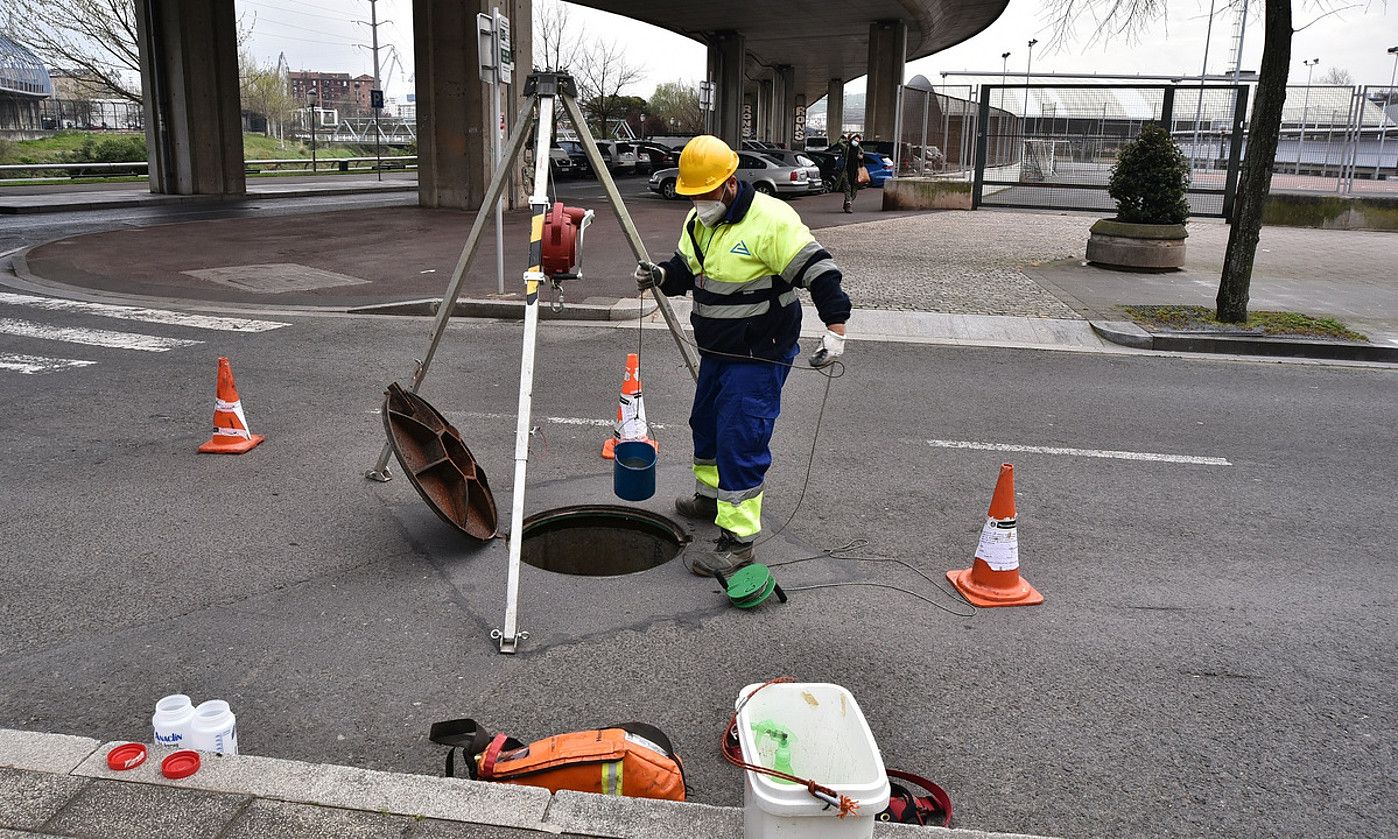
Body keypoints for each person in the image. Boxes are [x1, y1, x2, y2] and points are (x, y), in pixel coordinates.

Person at [634, 135, 852, 577]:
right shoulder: (699, 221)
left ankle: (738, 542)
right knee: (707, 425)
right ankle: (710, 499)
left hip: (760, 353)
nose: (698, 202)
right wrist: (660, 273)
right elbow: (686, 268)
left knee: (740, 436)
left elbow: (819, 270)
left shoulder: (770, 220)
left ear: (730, 183)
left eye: (705, 193)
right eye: (692, 195)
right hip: (717, 349)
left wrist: (835, 329)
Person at [834, 134, 865, 213]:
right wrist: (843, 137)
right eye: (855, 140)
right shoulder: (846, 148)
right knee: (847, 188)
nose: (856, 142)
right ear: (851, 140)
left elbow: (861, 164)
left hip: (855, 173)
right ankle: (848, 205)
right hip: (846, 171)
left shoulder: (860, 150)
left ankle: (847, 203)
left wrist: (861, 159)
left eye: (858, 141)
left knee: (853, 192)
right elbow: (839, 143)